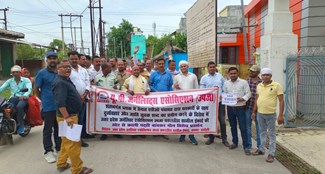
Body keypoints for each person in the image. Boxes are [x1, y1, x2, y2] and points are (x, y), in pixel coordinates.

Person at [52, 59, 93, 174]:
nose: (68, 69)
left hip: (67, 117)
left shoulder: (65, 80)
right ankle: (77, 169)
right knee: (73, 144)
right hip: (68, 117)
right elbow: (60, 102)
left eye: (68, 67)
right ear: (57, 69)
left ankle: (62, 163)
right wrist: (67, 118)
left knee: (66, 142)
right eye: (64, 67)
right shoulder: (60, 82)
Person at [252, 68, 284, 163]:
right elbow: (257, 99)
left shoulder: (276, 85)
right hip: (260, 113)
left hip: (270, 114)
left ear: (271, 76)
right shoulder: (259, 85)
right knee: (261, 132)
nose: (265, 76)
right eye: (263, 75)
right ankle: (261, 149)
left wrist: (281, 115)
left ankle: (271, 154)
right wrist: (254, 111)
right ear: (261, 76)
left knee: (271, 134)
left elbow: (281, 101)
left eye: (267, 75)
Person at [34, 52, 61, 163]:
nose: (52, 60)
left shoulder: (60, 72)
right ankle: (48, 151)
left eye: (54, 58)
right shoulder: (42, 73)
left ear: (57, 59)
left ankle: (59, 148)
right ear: (46, 60)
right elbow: (36, 89)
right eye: (50, 58)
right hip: (48, 106)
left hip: (60, 106)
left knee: (59, 129)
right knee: (48, 130)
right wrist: (43, 100)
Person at [200, 61, 230, 147]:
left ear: (215, 67)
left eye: (214, 67)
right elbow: (202, 91)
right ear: (207, 68)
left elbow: (224, 88)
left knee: (222, 121)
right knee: (211, 120)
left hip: (220, 103)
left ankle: (224, 139)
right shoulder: (204, 78)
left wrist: (223, 95)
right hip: (210, 103)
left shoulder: (220, 77)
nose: (212, 68)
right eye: (211, 67)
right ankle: (211, 138)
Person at [223, 67, 251, 155]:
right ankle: (235, 142)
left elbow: (248, 93)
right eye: (231, 74)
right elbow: (224, 93)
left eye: (234, 73)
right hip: (230, 108)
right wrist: (223, 97)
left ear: (237, 73)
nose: (233, 75)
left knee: (243, 127)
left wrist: (243, 98)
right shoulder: (226, 83)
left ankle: (246, 146)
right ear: (228, 74)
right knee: (233, 126)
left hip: (241, 108)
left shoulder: (243, 82)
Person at [0, 65, 32, 134]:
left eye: (17, 72)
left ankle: (21, 124)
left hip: (23, 99)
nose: (15, 73)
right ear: (11, 73)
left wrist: (24, 95)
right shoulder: (10, 81)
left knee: (19, 107)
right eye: (13, 72)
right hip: (13, 98)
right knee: (5, 108)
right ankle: (8, 122)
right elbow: (2, 88)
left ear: (20, 72)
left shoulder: (26, 80)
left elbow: (29, 89)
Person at [68, 51, 91, 147]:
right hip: (73, 100)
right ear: (69, 59)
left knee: (81, 120)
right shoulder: (67, 70)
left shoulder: (83, 70)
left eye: (75, 58)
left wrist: (84, 94)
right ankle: (72, 140)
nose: (74, 60)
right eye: (72, 59)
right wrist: (77, 97)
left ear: (78, 59)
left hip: (83, 98)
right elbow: (68, 85)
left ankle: (79, 139)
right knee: (74, 120)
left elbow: (87, 83)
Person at [173, 61, 199, 145]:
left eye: (185, 66)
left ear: (188, 67)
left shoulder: (193, 76)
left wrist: (196, 99)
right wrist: (175, 87)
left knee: (191, 119)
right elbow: (173, 89)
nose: (183, 68)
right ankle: (182, 135)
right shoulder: (176, 77)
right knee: (182, 118)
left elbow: (197, 88)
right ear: (180, 68)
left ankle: (191, 136)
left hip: (191, 101)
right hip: (181, 102)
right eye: (181, 66)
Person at [94, 62, 120, 140]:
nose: (111, 69)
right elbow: (95, 87)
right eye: (109, 67)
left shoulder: (113, 76)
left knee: (113, 115)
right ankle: (104, 132)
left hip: (112, 100)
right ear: (105, 69)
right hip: (101, 101)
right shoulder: (97, 77)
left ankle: (115, 132)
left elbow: (118, 84)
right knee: (103, 116)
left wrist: (117, 87)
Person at [149, 57, 173, 140]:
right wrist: (155, 91)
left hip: (165, 98)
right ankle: (155, 131)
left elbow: (171, 86)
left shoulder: (169, 74)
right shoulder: (153, 74)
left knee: (164, 115)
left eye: (162, 64)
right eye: (159, 64)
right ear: (157, 64)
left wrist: (168, 95)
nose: (161, 65)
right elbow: (150, 85)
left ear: (164, 64)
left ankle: (164, 132)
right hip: (155, 97)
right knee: (156, 114)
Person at [246, 65, 262, 153]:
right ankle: (248, 146)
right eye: (250, 71)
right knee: (247, 127)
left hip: (259, 109)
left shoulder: (262, 82)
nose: (251, 72)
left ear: (258, 72)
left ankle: (260, 147)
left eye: (253, 71)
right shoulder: (247, 81)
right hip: (248, 107)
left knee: (259, 128)